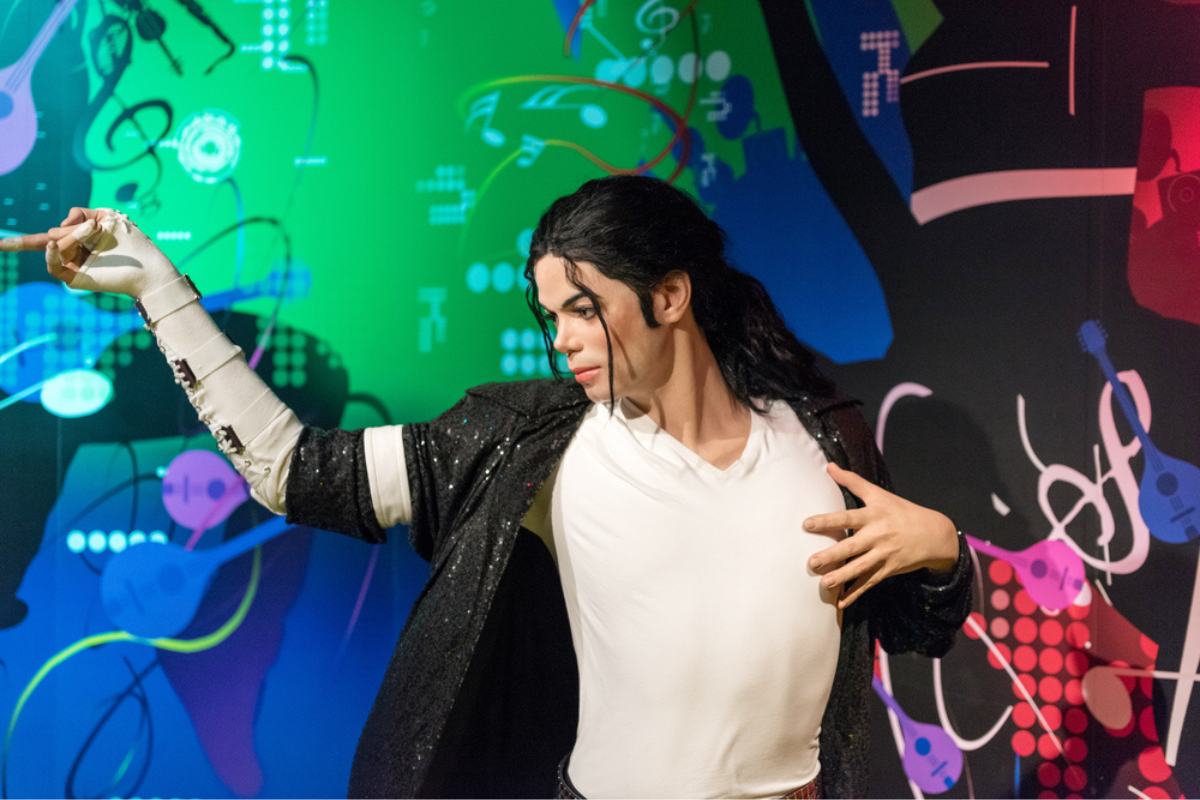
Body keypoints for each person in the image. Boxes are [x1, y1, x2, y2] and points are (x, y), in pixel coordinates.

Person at [3, 176, 971, 799]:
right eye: (552, 317)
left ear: (671, 295)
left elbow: (915, 628)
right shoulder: (530, 444)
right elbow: (290, 468)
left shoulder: (821, 439)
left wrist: (944, 555)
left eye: (585, 308)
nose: (565, 341)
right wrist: (156, 288)